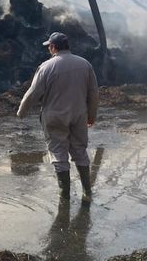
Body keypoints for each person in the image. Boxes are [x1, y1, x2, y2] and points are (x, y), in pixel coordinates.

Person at [17, 32, 99, 203]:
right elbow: (93, 93)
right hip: (79, 115)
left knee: (59, 154)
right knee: (80, 151)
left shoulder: (46, 67)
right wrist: (91, 116)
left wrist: (21, 111)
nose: (48, 49)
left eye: (49, 46)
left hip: (54, 117)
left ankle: (65, 196)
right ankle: (87, 192)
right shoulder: (85, 64)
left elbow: (33, 93)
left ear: (53, 47)